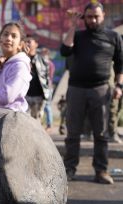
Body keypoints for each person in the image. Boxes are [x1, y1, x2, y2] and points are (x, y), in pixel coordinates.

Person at [60, 2, 123, 184]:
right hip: (76, 89)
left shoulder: (114, 37)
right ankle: (69, 169)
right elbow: (64, 51)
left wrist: (119, 86)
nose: (93, 20)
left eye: (96, 16)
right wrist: (72, 26)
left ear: (103, 16)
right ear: (84, 18)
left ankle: (101, 171)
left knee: (101, 134)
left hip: (101, 89)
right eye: (89, 17)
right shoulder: (77, 36)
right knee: (72, 133)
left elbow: (120, 65)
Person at [24, 36, 52, 120]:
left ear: (36, 44)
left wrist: (46, 96)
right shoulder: (21, 59)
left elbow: (46, 78)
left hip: (38, 97)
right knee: (24, 122)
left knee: (36, 123)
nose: (27, 44)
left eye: (29, 41)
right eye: (26, 42)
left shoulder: (42, 60)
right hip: (25, 97)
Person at [41, 47, 55, 133]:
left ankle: (49, 125)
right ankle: (43, 123)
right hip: (44, 87)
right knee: (43, 106)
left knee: (47, 106)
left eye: (43, 54)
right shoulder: (43, 63)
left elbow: (49, 76)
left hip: (48, 88)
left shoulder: (49, 64)